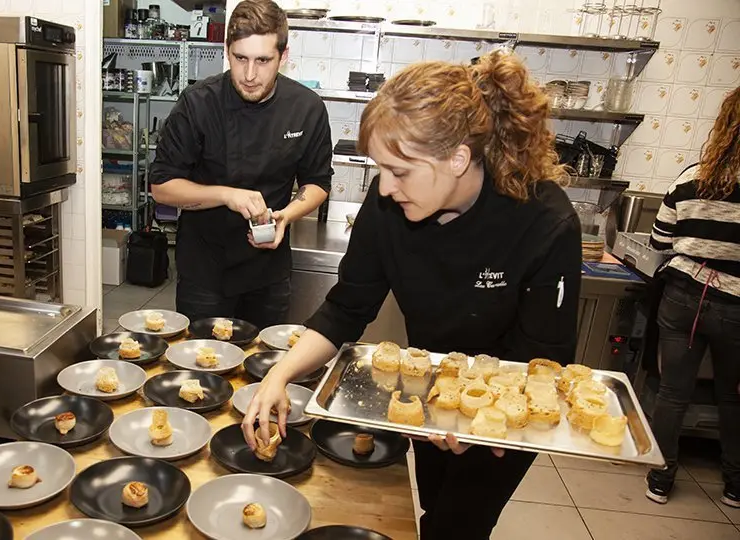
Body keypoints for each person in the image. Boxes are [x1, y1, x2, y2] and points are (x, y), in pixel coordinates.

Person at [242, 50, 582, 539]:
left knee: (459, 526)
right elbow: (346, 307)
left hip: (508, 412)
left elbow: (544, 362)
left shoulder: (543, 222)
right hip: (430, 390)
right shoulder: (389, 209)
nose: (384, 188)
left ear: (458, 157)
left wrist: (476, 420)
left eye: (401, 171)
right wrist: (280, 373)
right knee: (432, 512)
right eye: (380, 168)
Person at [149, 0, 331, 329]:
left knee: (262, 370)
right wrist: (226, 195)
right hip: (205, 272)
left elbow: (318, 182)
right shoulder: (198, 104)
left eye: (263, 61)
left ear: (284, 56)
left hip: (269, 274)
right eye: (240, 58)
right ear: (227, 50)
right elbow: (161, 187)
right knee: (203, 373)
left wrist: (285, 217)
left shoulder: (307, 108)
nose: (249, 75)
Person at [646, 86, 740, 507]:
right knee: (731, 393)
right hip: (737, 306)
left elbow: (659, 239)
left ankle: (661, 477)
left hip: (685, 297)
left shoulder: (691, 178)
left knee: (673, 391)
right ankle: (736, 484)